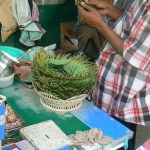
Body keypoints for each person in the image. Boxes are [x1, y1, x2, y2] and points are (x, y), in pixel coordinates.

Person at [77, 0, 150, 149]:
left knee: (116, 140)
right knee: (96, 138)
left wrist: (99, 24)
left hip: (126, 98)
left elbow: (136, 55)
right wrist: (110, 10)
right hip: (109, 89)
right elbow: (134, 24)